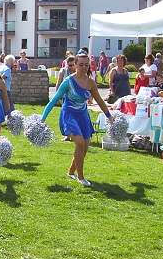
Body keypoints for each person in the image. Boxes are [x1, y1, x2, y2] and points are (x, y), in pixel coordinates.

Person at [42, 53, 113, 187]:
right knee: (80, 143)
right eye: (81, 64)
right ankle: (80, 177)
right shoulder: (68, 81)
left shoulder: (90, 82)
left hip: (83, 116)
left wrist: (109, 116)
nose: (84, 67)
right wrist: (42, 118)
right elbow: (54, 100)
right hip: (69, 115)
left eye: (86, 65)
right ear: (74, 65)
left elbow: (99, 100)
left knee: (85, 147)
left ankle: (70, 172)